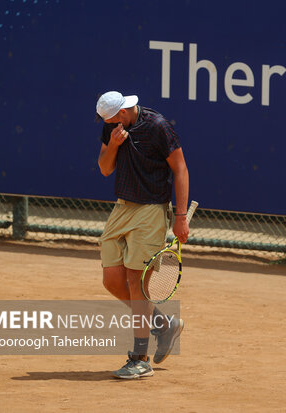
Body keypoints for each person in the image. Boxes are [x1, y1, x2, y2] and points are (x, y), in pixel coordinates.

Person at [95, 91, 189, 379]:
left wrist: (181, 216)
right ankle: (163, 324)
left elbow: (181, 169)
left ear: (123, 112)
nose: (108, 123)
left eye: (111, 120)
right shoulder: (112, 127)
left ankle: (139, 359)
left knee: (137, 281)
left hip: (151, 211)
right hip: (122, 209)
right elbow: (104, 168)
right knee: (112, 280)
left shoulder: (158, 126)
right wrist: (112, 145)